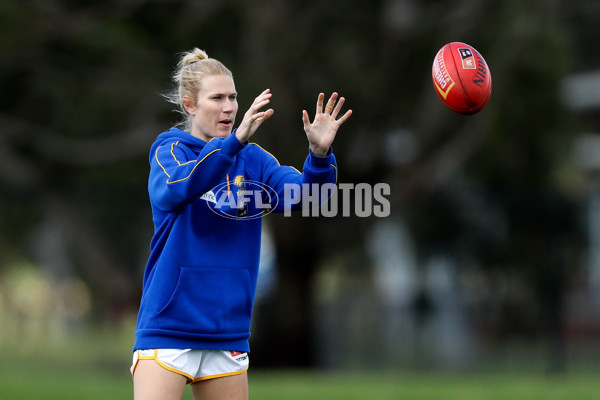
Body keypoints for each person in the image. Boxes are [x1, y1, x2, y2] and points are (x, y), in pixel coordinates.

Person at [130, 48, 351, 400]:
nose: (229, 107)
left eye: (232, 97)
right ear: (189, 105)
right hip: (169, 329)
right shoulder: (170, 150)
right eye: (217, 98)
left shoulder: (254, 160)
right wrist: (231, 145)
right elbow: (177, 188)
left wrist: (319, 156)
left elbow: (309, 198)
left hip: (227, 332)